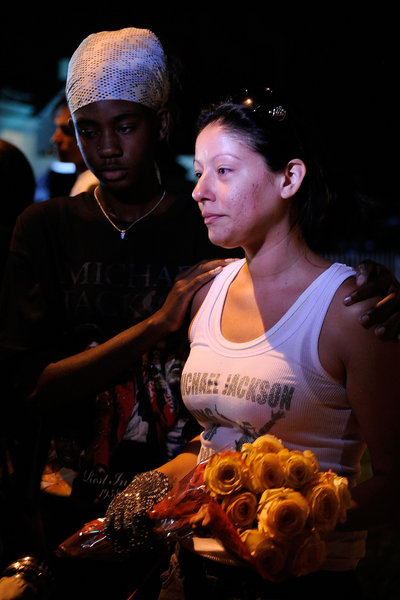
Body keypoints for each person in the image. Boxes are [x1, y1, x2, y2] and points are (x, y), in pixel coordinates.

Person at [103, 87, 400, 600]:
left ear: (289, 177)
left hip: (303, 582)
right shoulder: (205, 292)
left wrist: (294, 522)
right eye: (198, 172)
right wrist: (147, 493)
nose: (199, 190)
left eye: (223, 170)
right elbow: (215, 441)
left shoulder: (349, 310)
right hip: (192, 577)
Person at [34, 96, 98, 201]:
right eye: (57, 129)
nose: (55, 139)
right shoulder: (84, 182)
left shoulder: (91, 186)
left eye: (67, 131)